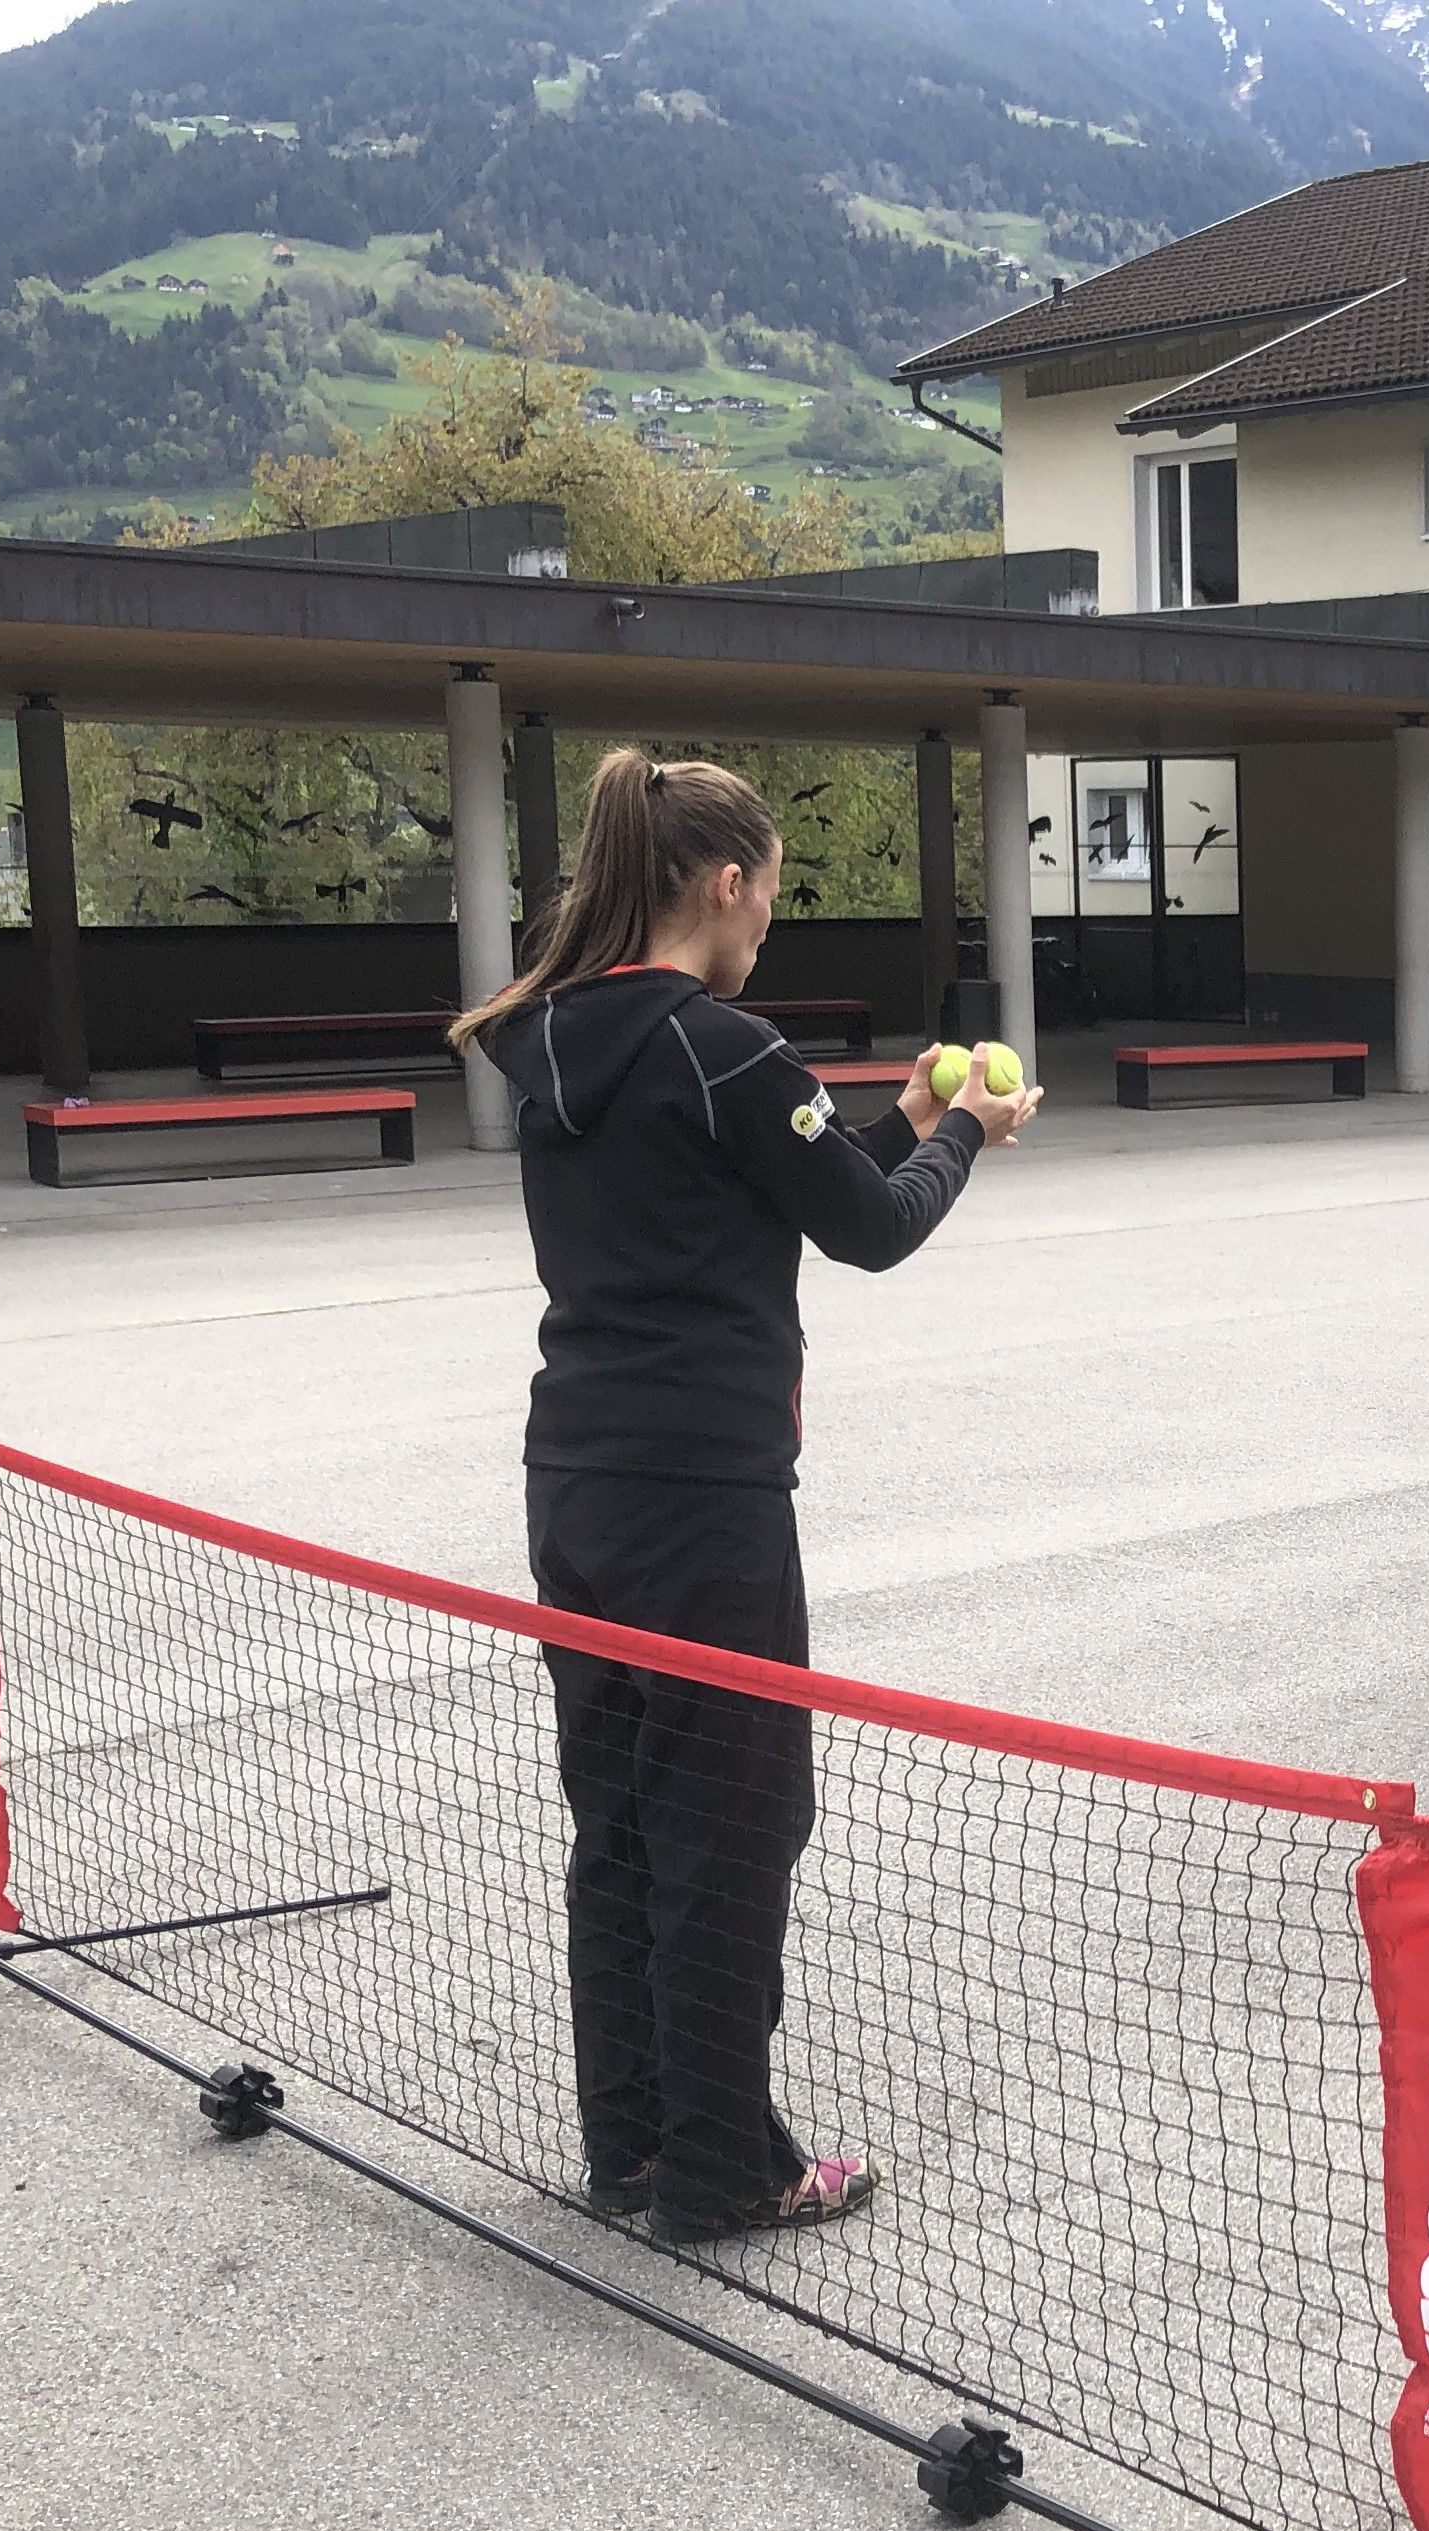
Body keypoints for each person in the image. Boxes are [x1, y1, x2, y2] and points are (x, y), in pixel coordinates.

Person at [460, 748, 1035, 2241]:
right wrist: (969, 1128)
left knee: (624, 1822)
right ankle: (729, 2167)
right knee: (735, 1817)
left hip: (577, 1481)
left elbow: (803, 1179)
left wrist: (902, 1114)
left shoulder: (558, 1039)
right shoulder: (725, 1046)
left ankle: (634, 2145)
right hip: (705, 1496)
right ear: (722, 883)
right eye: (770, 890)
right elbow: (871, 1231)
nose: (770, 919)